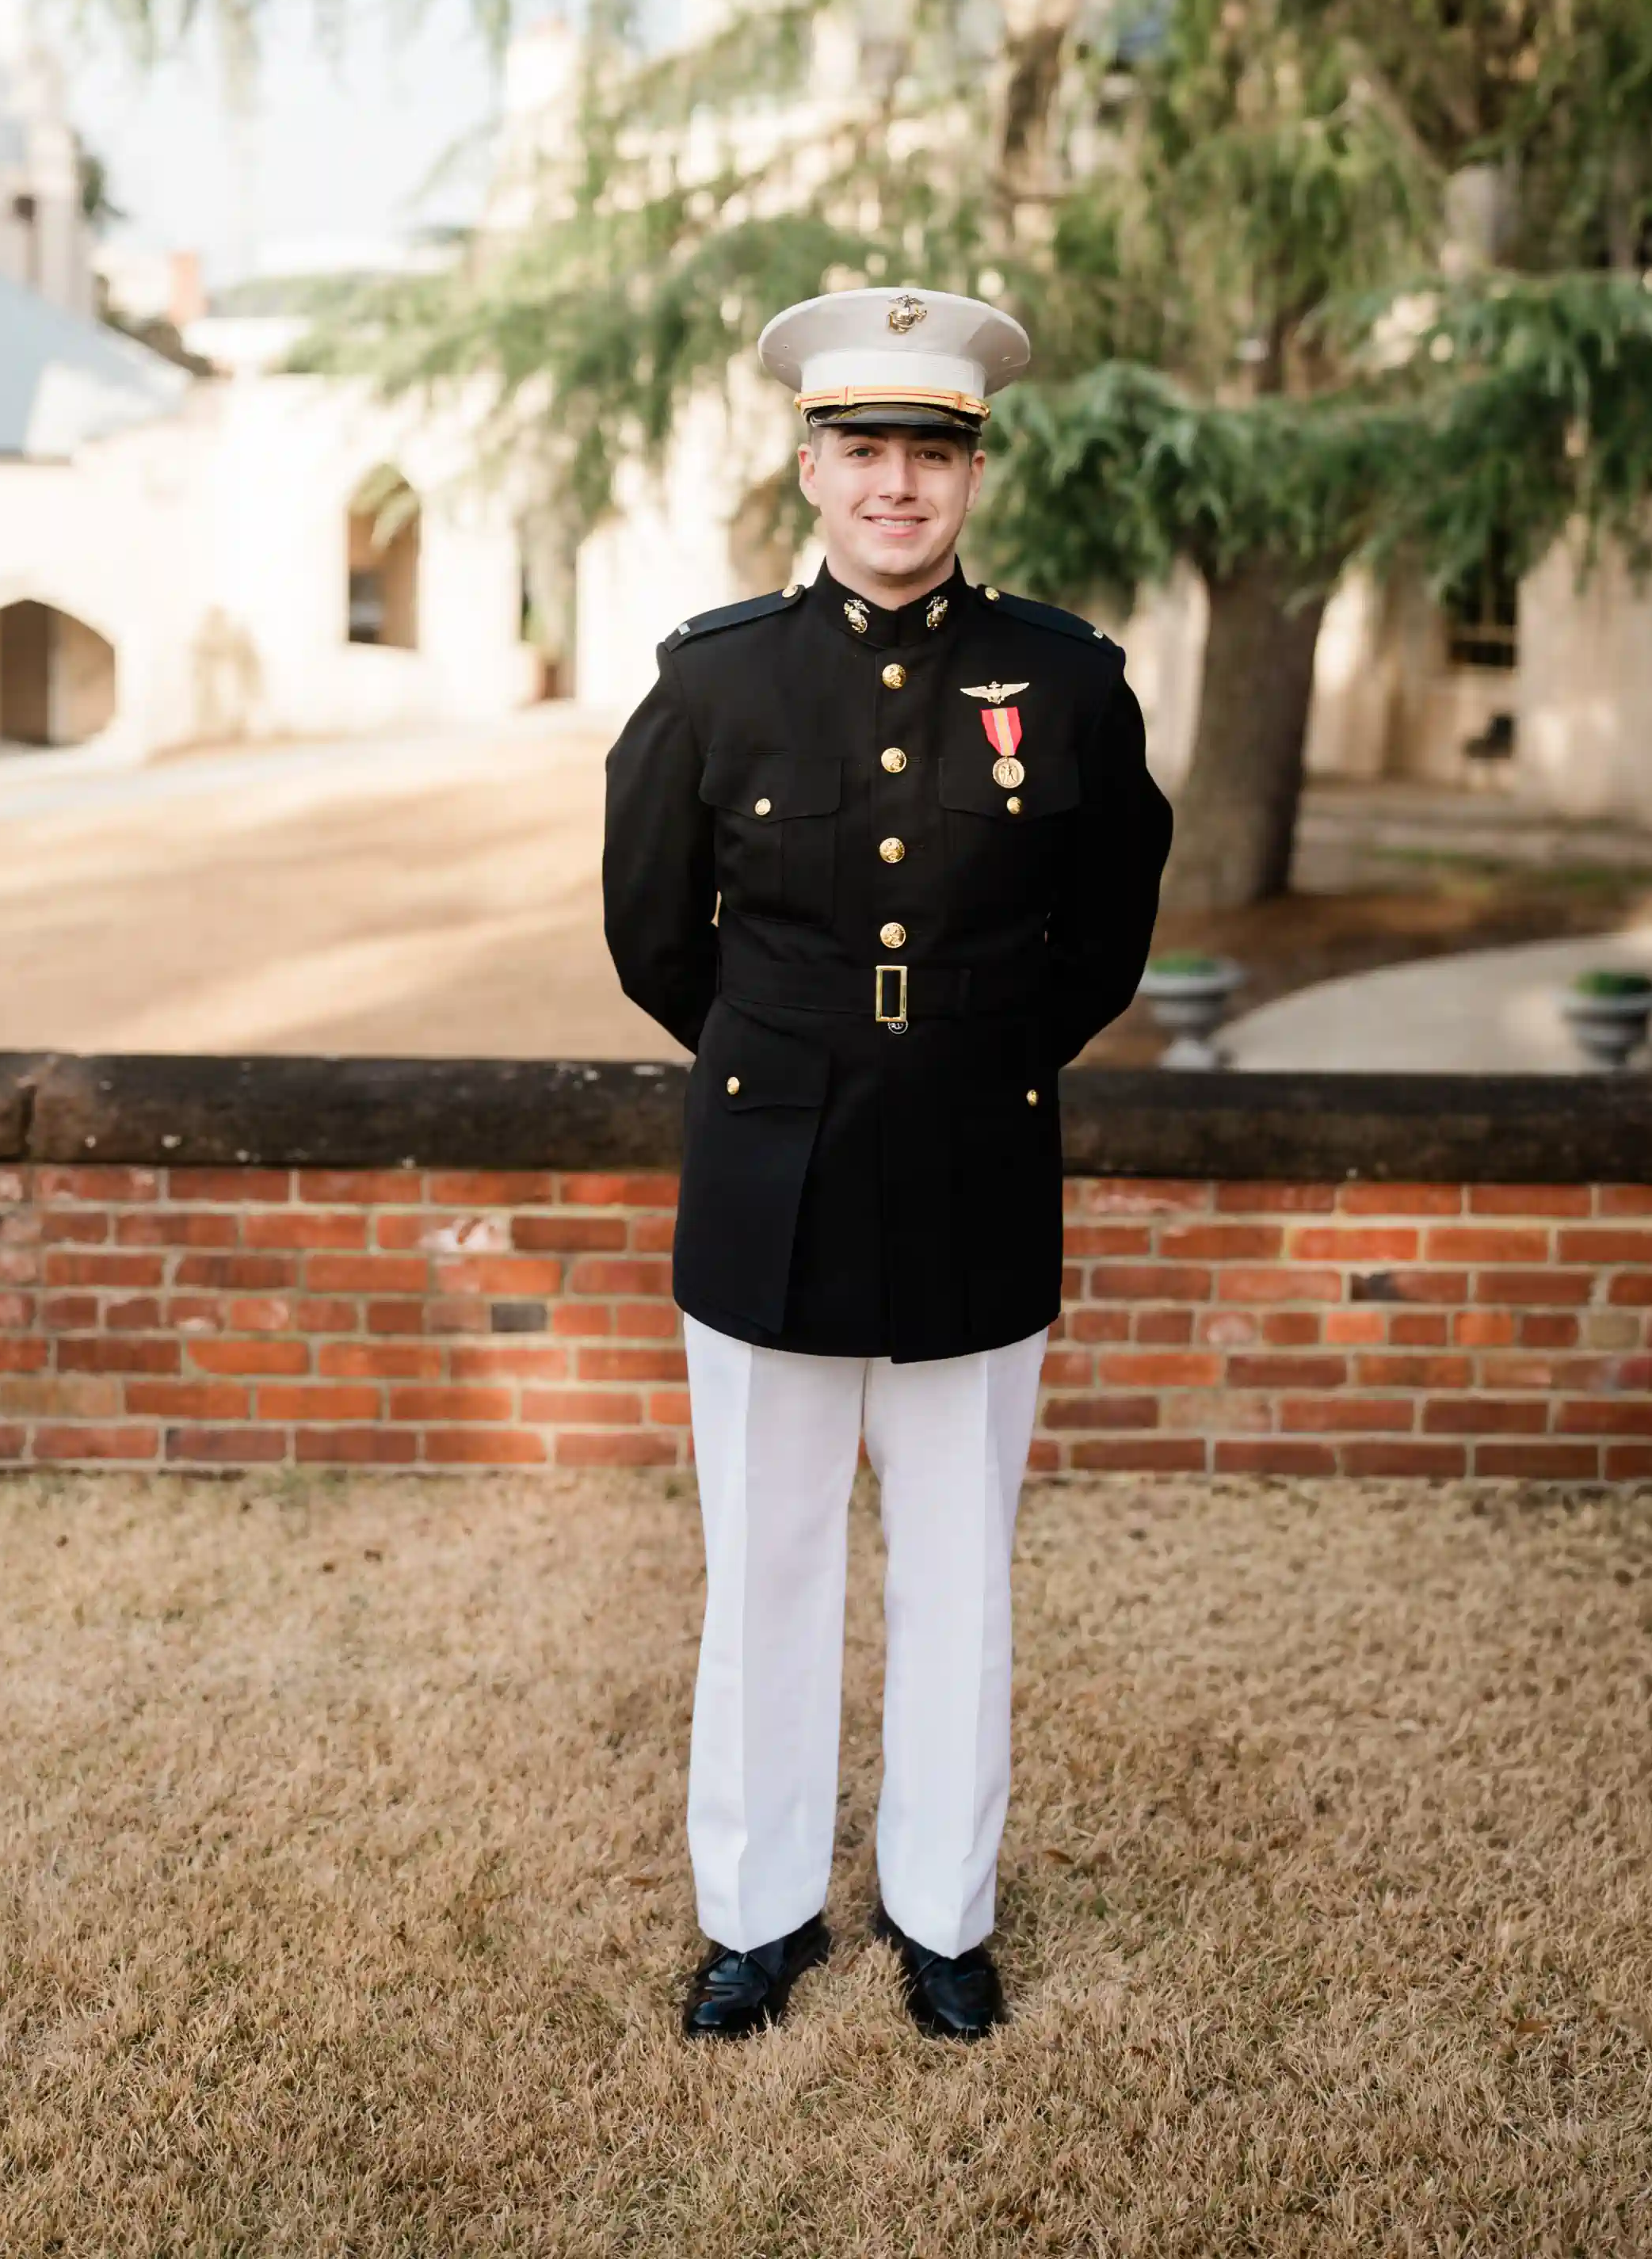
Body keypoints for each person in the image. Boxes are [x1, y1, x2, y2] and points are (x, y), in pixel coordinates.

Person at [602, 284, 1172, 2043]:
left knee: (957, 1569)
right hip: (769, 1180)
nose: (896, 487)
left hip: (973, 1176)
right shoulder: (715, 679)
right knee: (764, 1563)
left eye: (930, 452)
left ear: (973, 470)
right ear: (808, 467)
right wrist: (785, 1071)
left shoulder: (1068, 681)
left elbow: (1102, 936)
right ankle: (759, 1916)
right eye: (863, 450)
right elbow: (653, 940)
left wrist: (975, 1063)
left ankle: (939, 1913)